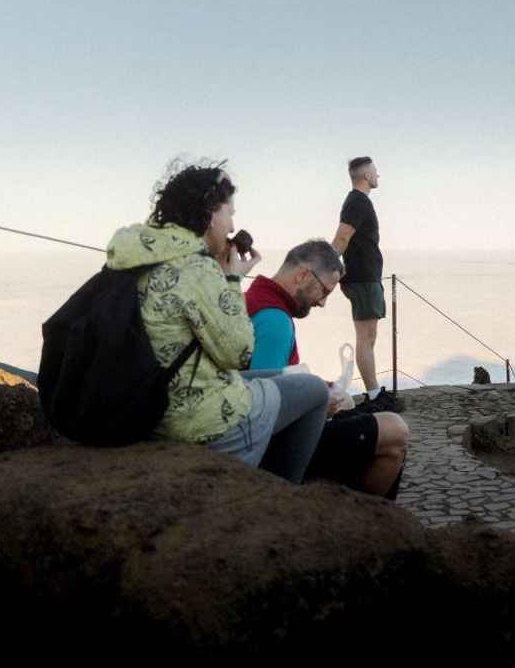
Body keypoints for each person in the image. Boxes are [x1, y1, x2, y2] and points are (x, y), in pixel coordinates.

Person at [104, 160, 329, 483]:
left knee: (281, 373)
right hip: (195, 421)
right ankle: (279, 491)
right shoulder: (197, 267)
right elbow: (237, 353)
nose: (232, 225)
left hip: (147, 399)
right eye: (229, 213)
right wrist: (233, 281)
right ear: (210, 215)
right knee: (313, 389)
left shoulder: (137, 253)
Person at [246, 240, 410, 499]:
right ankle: (368, 518)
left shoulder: (255, 299)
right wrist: (321, 405)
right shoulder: (274, 321)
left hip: (274, 435)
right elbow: (263, 408)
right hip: (280, 449)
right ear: (302, 275)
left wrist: (319, 390)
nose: (322, 303)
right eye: (325, 291)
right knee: (395, 431)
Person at [332, 156, 391, 410]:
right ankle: (374, 396)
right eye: (375, 171)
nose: (379, 174)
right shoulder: (357, 201)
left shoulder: (359, 201)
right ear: (366, 175)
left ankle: (373, 392)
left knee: (369, 337)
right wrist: (326, 266)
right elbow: (343, 237)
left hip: (366, 277)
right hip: (362, 278)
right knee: (365, 338)